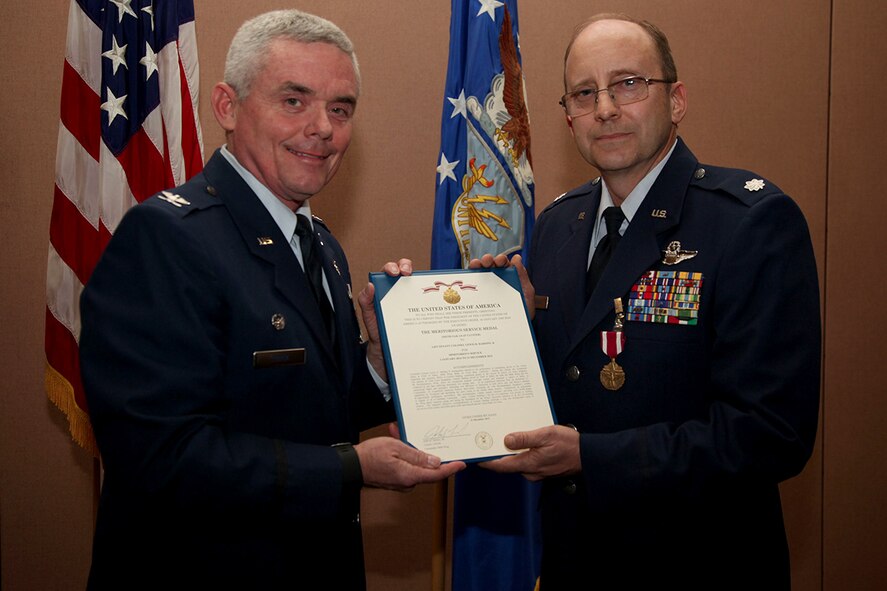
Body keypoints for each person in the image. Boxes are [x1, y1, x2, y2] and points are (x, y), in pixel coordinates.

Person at [79, 10, 463, 590]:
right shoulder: (166, 238)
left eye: (341, 109)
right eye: (294, 100)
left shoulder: (321, 243)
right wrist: (350, 467)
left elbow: (307, 406)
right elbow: (161, 456)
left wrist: (379, 366)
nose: (323, 128)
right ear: (227, 107)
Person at [479, 13, 820, 589]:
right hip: (575, 560)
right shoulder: (557, 226)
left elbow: (770, 436)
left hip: (698, 562)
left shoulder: (749, 222)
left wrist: (592, 457)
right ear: (567, 117)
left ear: (677, 100)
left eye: (628, 84)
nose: (605, 108)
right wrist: (502, 333)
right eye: (585, 93)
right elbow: (577, 382)